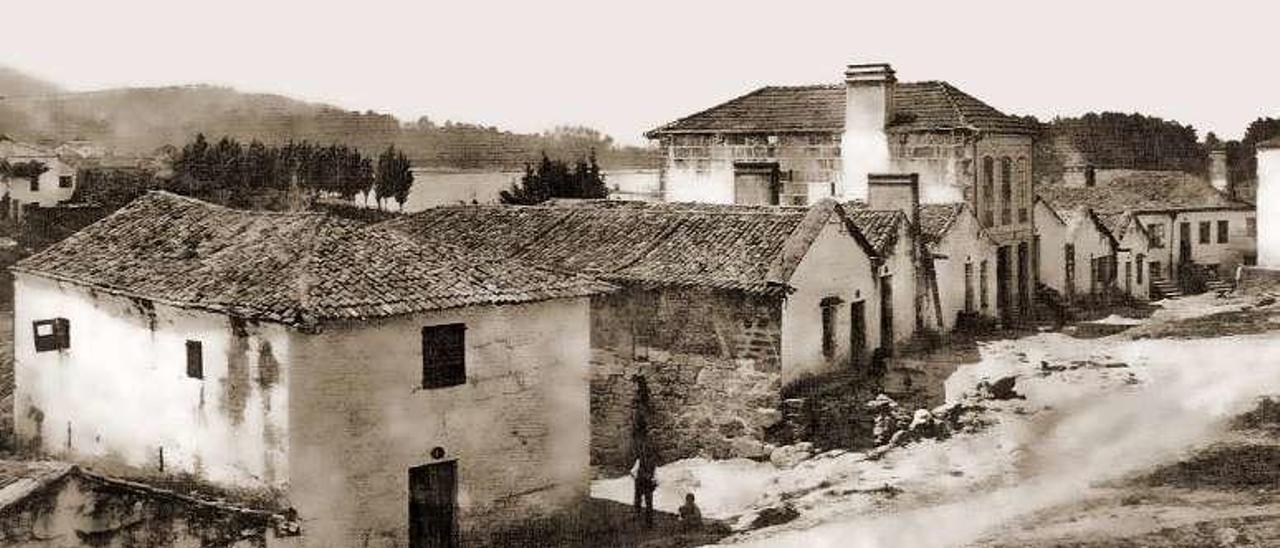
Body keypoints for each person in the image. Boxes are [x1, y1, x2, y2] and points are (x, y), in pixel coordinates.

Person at [631, 440, 658, 528]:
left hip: (641, 483)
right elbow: (655, 474)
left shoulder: (640, 460)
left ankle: (640, 520)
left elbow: (632, 472)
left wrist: (636, 478)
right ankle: (648, 522)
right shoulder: (652, 461)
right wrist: (654, 481)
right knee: (648, 503)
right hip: (647, 483)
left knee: (639, 501)